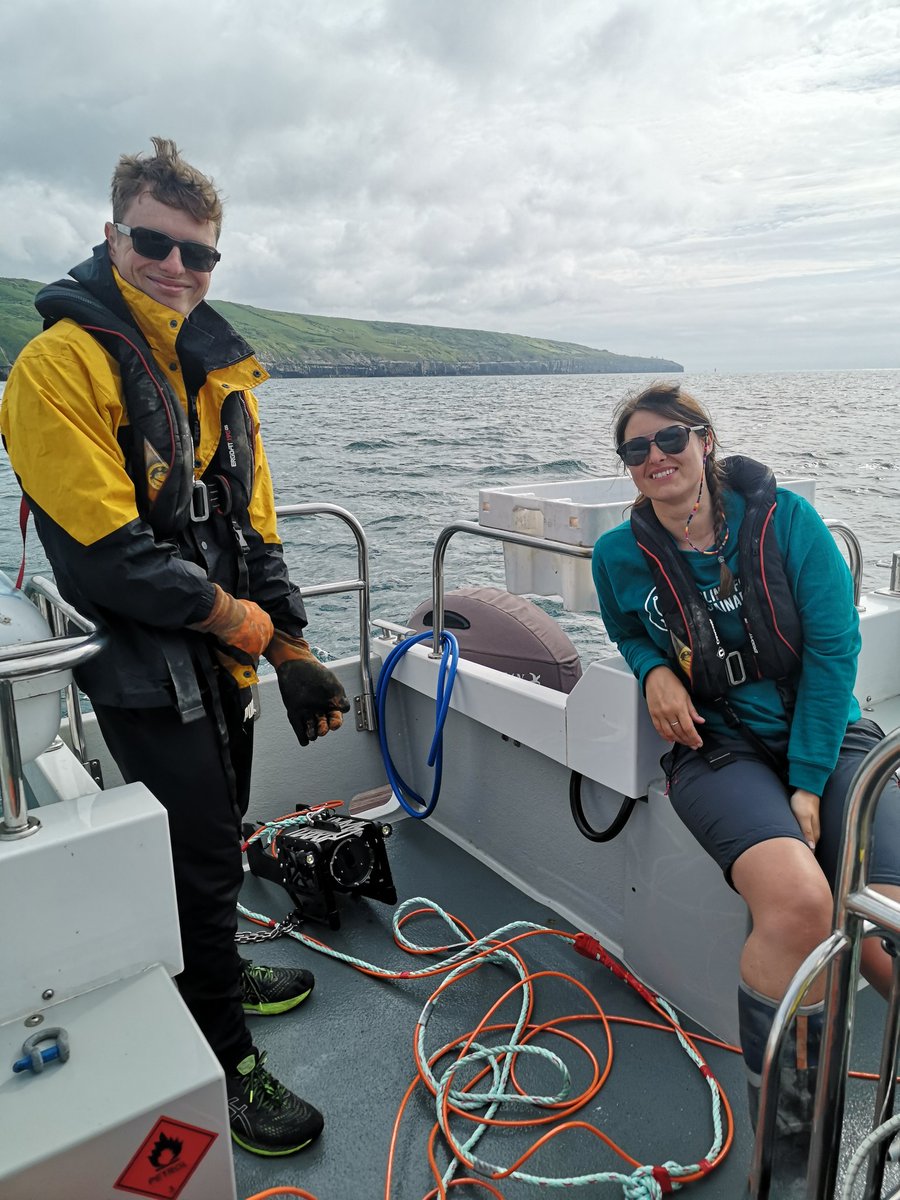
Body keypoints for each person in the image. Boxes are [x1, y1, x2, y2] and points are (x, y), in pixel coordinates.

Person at [0, 137, 351, 1158]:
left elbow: (260, 526)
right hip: (145, 664)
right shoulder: (55, 368)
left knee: (222, 827)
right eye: (154, 243)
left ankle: (219, 966)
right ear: (111, 236)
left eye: (199, 254)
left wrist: (288, 648)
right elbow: (109, 559)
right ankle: (227, 1055)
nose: (177, 268)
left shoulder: (218, 373)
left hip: (223, 656)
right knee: (198, 851)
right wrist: (249, 628)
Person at [592, 382, 900, 1195]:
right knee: (800, 904)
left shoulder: (786, 520)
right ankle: (792, 1167)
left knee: (888, 926)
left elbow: (835, 653)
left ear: (706, 441)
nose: (655, 457)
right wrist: (653, 667)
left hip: (825, 736)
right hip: (715, 748)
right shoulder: (617, 554)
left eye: (671, 440)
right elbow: (625, 627)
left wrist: (806, 782)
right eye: (636, 449)